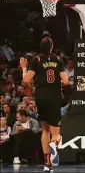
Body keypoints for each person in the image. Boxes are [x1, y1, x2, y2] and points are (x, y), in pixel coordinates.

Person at [20, 37, 68, 172]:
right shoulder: (58, 59)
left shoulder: (36, 60)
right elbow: (65, 81)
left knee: (45, 129)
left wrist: (24, 68)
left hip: (41, 97)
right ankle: (54, 144)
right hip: (54, 97)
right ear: (52, 47)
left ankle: (47, 164)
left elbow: (26, 80)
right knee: (56, 134)